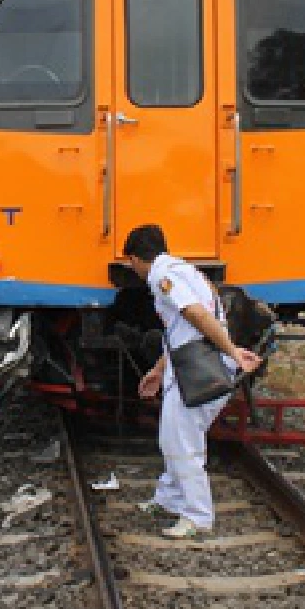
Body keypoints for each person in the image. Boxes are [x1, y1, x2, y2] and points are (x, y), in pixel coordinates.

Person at [122, 224, 262, 539]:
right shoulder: (187, 269)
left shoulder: (160, 276)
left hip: (201, 367)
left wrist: (233, 352)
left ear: (135, 258)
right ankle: (169, 498)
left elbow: (197, 315)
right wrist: (158, 370)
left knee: (181, 440)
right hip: (195, 363)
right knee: (174, 435)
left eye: (131, 263)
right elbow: (180, 329)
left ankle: (197, 515)